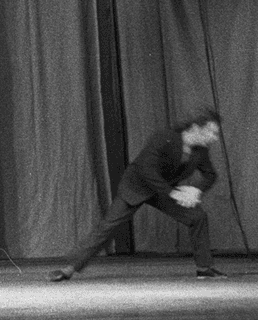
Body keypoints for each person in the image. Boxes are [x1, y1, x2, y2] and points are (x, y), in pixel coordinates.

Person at [50, 109, 226, 281]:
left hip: (163, 190)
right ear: (195, 128)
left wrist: (196, 190)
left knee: (197, 217)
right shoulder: (165, 137)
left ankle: (204, 268)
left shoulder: (200, 151)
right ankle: (68, 269)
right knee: (108, 226)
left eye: (216, 134)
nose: (214, 138)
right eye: (211, 132)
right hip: (137, 186)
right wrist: (172, 192)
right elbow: (146, 169)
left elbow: (210, 175)